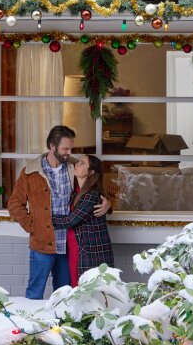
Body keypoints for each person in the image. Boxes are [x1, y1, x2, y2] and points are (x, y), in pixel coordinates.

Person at [8, 126, 110, 299]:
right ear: (52, 146)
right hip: (42, 244)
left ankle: (60, 327)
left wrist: (107, 203)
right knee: (34, 293)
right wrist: (33, 226)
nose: (69, 153)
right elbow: (14, 204)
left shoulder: (74, 167)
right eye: (65, 149)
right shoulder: (29, 173)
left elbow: (94, 184)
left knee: (64, 295)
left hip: (69, 246)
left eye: (71, 148)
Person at [52, 155, 115, 286]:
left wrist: (43, 219)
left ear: (91, 172)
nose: (77, 164)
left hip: (89, 250)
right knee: (76, 284)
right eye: (78, 162)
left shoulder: (92, 195)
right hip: (76, 246)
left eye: (82, 163)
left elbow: (71, 221)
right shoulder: (77, 191)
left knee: (85, 286)